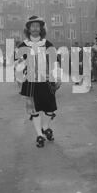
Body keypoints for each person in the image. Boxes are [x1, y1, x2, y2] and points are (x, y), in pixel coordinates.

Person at [18, 16, 60, 148]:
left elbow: (55, 62)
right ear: (28, 29)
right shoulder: (23, 45)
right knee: (34, 110)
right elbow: (18, 64)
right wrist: (20, 76)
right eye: (32, 26)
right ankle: (39, 135)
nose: (35, 28)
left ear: (41, 28)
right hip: (30, 83)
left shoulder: (48, 44)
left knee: (50, 108)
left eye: (38, 26)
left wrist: (57, 77)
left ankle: (45, 126)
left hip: (46, 81)